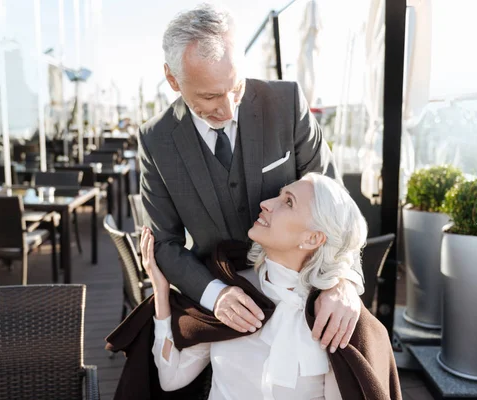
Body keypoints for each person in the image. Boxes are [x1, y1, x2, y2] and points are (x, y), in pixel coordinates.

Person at [139, 3, 363, 350]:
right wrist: (217, 295)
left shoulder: (287, 103)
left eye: (236, 87)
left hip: (303, 290)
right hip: (220, 296)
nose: (227, 110)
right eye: (210, 96)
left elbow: (336, 204)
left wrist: (342, 281)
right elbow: (165, 244)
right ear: (172, 79)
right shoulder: (156, 140)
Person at [139, 174, 401, 399]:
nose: (265, 204)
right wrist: (161, 292)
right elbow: (170, 378)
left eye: (288, 202)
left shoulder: (330, 322)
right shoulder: (230, 291)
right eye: (279, 195)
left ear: (312, 238)